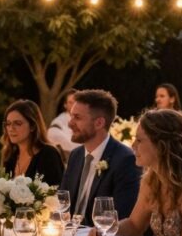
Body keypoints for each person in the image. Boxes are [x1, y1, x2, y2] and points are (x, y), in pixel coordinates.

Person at [58, 89, 142, 225]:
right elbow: (62, 203)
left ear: (99, 123)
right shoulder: (76, 155)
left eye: (77, 118)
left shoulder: (125, 160)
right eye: (71, 116)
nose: (70, 123)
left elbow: (122, 217)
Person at [0, 100, 64, 185]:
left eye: (18, 123)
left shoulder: (49, 154)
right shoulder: (10, 155)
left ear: (33, 126)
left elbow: (56, 193)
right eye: (8, 124)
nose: (11, 128)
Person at [46, 88, 78, 156]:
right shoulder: (58, 123)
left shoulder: (86, 120)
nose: (74, 105)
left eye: (76, 101)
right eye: (70, 102)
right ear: (65, 105)